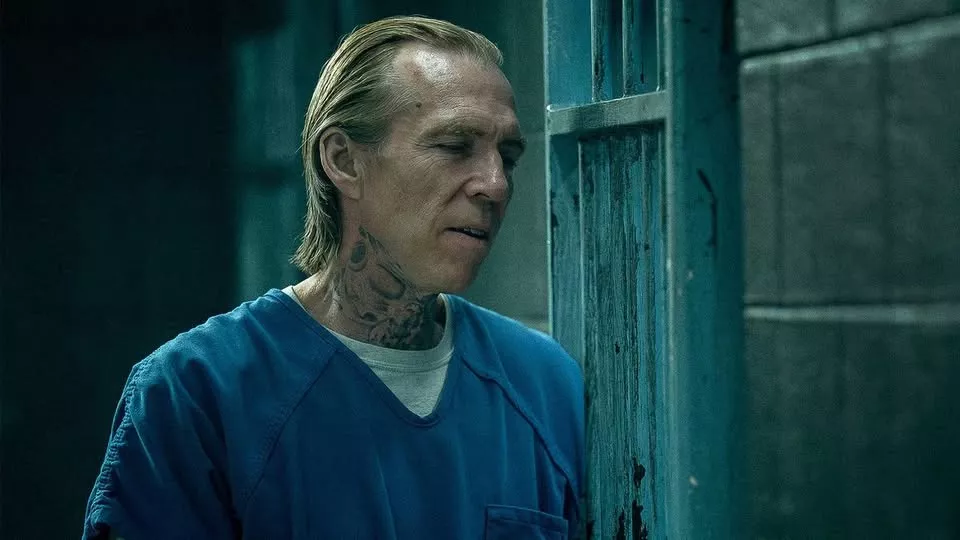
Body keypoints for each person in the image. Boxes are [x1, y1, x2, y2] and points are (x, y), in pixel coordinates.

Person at [82, 15, 584, 539]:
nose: (495, 185)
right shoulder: (198, 393)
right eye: (455, 146)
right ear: (343, 160)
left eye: (508, 156)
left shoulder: (545, 385)